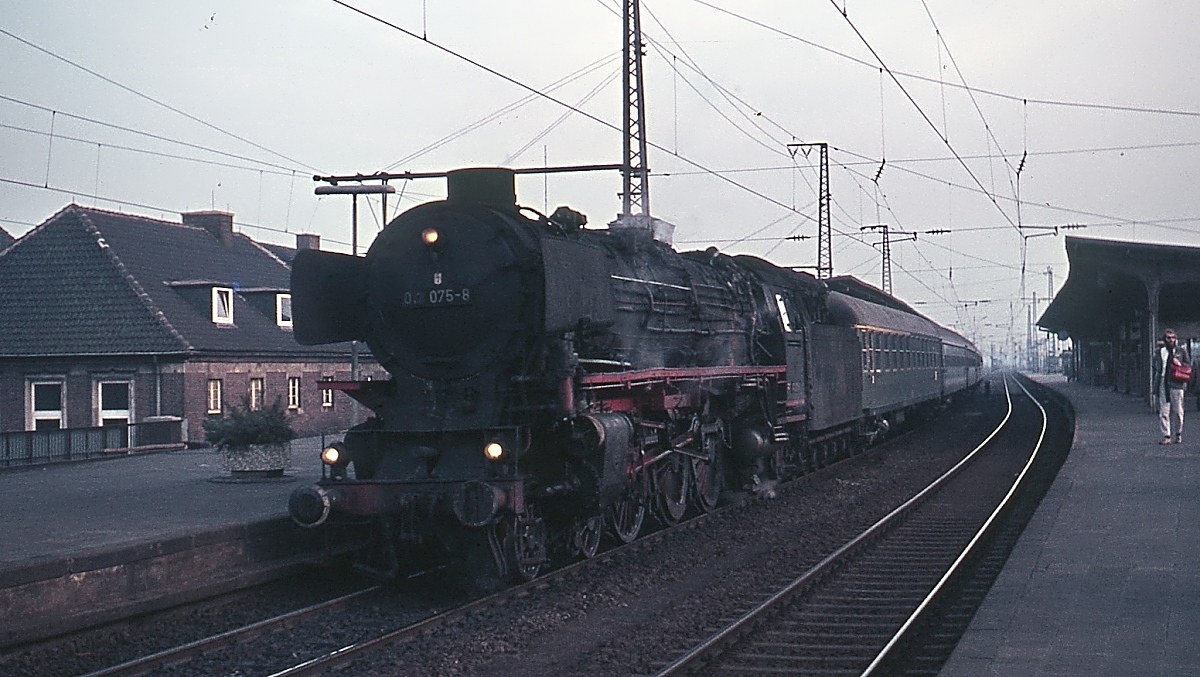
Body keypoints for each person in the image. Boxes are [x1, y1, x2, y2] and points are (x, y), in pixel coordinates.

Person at [1153, 328, 1190, 444]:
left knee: (1178, 410)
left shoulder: (1181, 351)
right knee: (1164, 410)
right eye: (1168, 338)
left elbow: (1188, 365)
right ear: (1164, 339)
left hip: (1177, 382)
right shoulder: (1159, 352)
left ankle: (1178, 433)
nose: (1171, 340)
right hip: (1163, 382)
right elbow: (1156, 367)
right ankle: (1166, 435)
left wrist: (1180, 364)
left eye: (1173, 337)